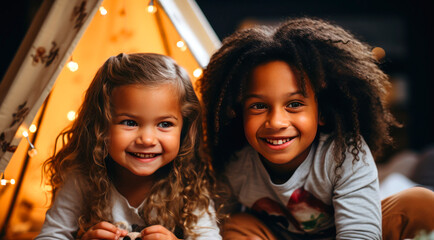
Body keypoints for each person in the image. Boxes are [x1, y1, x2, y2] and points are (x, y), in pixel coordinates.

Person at [198, 17, 434, 239]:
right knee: (235, 224)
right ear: (239, 113)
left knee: (420, 202)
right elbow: (205, 221)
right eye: (259, 106)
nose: (277, 122)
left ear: (321, 113)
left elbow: (361, 233)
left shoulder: (344, 153)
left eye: (294, 104)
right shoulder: (236, 164)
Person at [36, 53, 222, 240]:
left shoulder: (190, 182)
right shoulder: (82, 177)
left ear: (184, 129)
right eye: (130, 123)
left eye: (165, 124)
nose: (147, 140)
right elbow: (50, 236)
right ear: (100, 126)